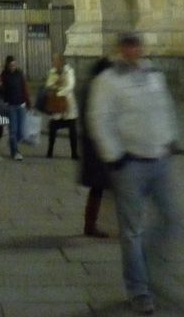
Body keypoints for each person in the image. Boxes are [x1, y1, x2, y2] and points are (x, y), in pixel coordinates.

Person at [88, 33, 180, 316]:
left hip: (159, 159)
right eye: (128, 46)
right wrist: (114, 157)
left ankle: (146, 269)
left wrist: (170, 138)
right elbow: (98, 118)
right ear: (120, 50)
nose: (134, 51)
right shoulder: (108, 79)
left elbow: (165, 108)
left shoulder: (154, 73)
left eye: (137, 46)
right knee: (131, 231)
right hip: (130, 165)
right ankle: (138, 290)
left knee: (171, 220)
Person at [78, 57, 113, 238]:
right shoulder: (96, 89)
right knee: (101, 187)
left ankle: (91, 224)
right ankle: (91, 225)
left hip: (95, 147)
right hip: (97, 148)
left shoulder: (93, 87)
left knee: (100, 188)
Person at [45, 52, 78, 159]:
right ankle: (50, 151)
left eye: (55, 61)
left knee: (72, 130)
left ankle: (74, 153)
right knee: (53, 128)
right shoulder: (52, 72)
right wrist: (56, 86)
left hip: (68, 105)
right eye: (53, 61)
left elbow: (70, 86)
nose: (53, 63)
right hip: (56, 105)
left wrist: (58, 92)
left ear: (61, 62)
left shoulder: (69, 71)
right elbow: (49, 85)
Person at [0, 55, 31, 161]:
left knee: (21, 131)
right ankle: (15, 152)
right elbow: (1, 92)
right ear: (7, 65)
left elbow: (24, 88)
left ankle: (12, 142)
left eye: (14, 64)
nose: (13, 66)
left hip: (21, 105)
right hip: (10, 106)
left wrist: (28, 103)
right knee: (13, 130)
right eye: (11, 65)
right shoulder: (4, 75)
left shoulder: (20, 74)